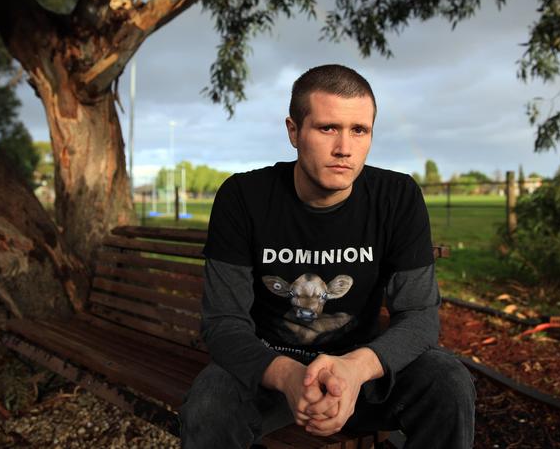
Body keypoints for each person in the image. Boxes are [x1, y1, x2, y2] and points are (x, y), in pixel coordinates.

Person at [180, 64, 475, 448]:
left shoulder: (398, 197)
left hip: (360, 372)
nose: (344, 148)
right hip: (271, 369)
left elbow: (420, 318)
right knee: (208, 404)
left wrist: (354, 369)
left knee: (448, 380)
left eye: (359, 130)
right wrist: (287, 376)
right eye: (327, 128)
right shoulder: (243, 198)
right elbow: (223, 323)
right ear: (293, 131)